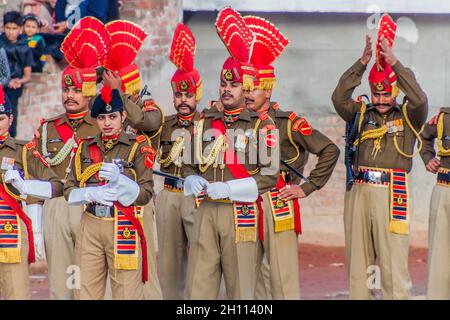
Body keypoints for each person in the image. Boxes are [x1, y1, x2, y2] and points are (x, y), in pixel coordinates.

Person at [183, 7, 279, 299]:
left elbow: (270, 177)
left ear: (246, 87)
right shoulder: (204, 121)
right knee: (198, 288)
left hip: (241, 212)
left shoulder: (263, 124)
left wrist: (231, 186)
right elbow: (188, 163)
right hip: (207, 210)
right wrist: (191, 180)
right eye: (224, 83)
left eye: (234, 84)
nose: (227, 89)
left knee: (241, 290)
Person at [242, 15, 340, 299]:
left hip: (278, 200)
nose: (249, 94)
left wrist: (306, 187)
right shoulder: (240, 123)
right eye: (246, 87)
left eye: (255, 88)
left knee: (282, 279)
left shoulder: (288, 122)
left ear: (269, 88)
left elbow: (329, 150)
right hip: (246, 199)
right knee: (250, 279)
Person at [331, 14, 428, 299]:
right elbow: (338, 98)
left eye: (387, 95)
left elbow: (420, 99)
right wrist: (362, 64)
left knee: (393, 261)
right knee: (359, 264)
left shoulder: (409, 116)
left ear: (395, 93)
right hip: (359, 191)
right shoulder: (361, 113)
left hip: (392, 191)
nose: (382, 100)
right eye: (377, 94)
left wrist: (394, 62)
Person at [34, 16, 108, 299]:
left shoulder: (101, 125)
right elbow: (37, 168)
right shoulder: (49, 127)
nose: (69, 95)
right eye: (66, 89)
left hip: (88, 204)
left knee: (89, 282)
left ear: (89, 92)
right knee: (61, 281)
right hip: (56, 206)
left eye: (77, 90)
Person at [64, 85, 155, 299]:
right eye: (102, 118)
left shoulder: (138, 147)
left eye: (112, 117)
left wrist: (122, 181)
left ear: (123, 116)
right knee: (83, 290)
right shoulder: (85, 147)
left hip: (123, 221)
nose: (107, 123)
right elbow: (69, 190)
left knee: (127, 292)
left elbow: (145, 194)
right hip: (91, 222)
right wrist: (90, 194)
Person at [0, 83, 63, 299]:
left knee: (16, 292)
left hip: (11, 233)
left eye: (0, 119)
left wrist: (25, 187)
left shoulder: (23, 151)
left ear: (10, 119)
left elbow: (56, 184)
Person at [152, 23, 200, 300]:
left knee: (202, 259)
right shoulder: (164, 125)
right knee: (169, 262)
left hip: (197, 197)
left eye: (188, 95)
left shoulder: (208, 125)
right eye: (179, 95)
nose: (183, 100)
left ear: (197, 95)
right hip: (169, 194)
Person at [420, 110, 450, 299]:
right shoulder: (444, 118)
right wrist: (428, 157)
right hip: (445, 188)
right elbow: (423, 136)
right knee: (439, 256)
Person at [0, 11, 33, 137]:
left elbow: (27, 75)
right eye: (8, 28)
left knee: (9, 114)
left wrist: (19, 81)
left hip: (13, 87)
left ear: (20, 29)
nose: (10, 32)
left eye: (14, 28)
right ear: (3, 27)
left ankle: (10, 141)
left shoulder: (24, 47)